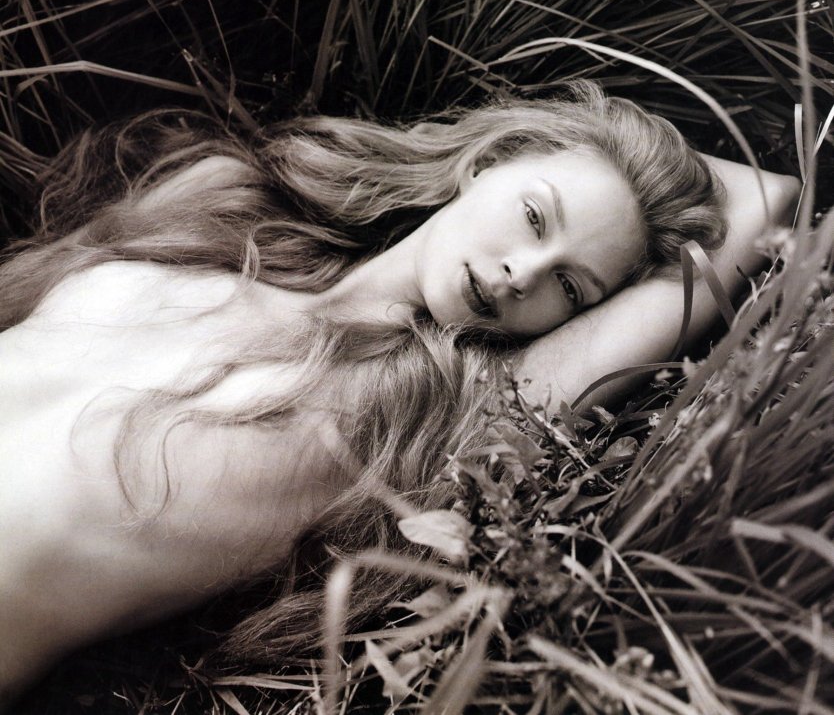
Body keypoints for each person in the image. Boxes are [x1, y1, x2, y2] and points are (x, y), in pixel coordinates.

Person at [0, 82, 799, 702]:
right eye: (533, 216)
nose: (522, 273)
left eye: (570, 286)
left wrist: (646, 204)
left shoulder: (418, 416)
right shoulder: (225, 215)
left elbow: (765, 195)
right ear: (486, 161)